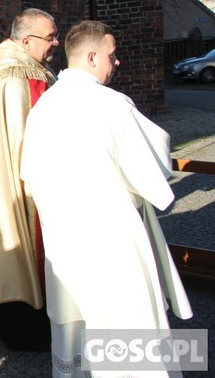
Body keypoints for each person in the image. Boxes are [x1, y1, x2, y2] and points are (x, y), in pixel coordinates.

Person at [20, 20, 193, 377]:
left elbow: (29, 176)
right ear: (93, 55)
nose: (117, 63)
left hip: (64, 242)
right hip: (111, 242)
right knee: (124, 328)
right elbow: (153, 175)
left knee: (76, 328)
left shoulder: (41, 109)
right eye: (112, 56)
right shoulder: (113, 104)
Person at [0, 8, 58, 350]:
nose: (55, 43)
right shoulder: (14, 78)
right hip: (19, 184)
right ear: (28, 40)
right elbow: (22, 143)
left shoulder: (28, 68)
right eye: (50, 37)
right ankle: (25, 332)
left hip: (28, 177)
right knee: (20, 248)